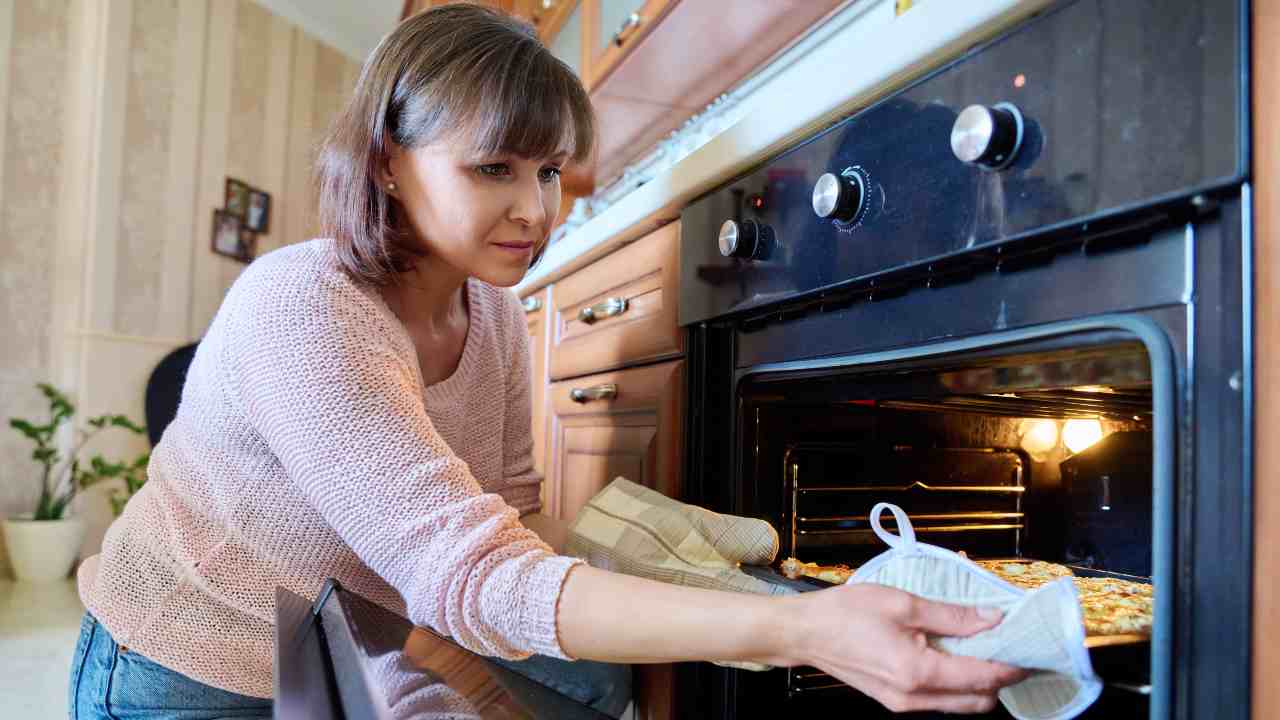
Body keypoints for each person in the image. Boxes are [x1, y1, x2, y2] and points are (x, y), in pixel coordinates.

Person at [68, 6, 1026, 719]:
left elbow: (515, 511)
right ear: (388, 162)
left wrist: (685, 568)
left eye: (549, 171)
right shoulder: (305, 307)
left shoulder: (489, 307)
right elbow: (469, 577)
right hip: (180, 658)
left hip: (329, 635)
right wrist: (800, 630)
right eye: (495, 169)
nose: (536, 209)